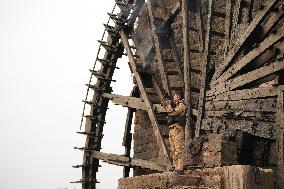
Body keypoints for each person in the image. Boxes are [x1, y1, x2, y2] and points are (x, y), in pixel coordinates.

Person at [162, 91, 186, 173]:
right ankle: (176, 167)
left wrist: (168, 104)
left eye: (175, 96)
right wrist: (167, 102)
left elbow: (172, 112)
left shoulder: (181, 105)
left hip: (178, 129)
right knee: (173, 149)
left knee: (178, 149)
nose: (174, 97)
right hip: (171, 129)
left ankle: (180, 168)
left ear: (179, 97)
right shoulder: (174, 105)